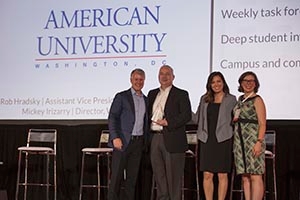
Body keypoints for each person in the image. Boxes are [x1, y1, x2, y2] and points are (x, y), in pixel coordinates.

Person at [148, 64, 192, 200]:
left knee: (173, 179)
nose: (164, 76)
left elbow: (186, 115)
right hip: (154, 139)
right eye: (162, 74)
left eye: (168, 74)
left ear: (173, 77)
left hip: (173, 139)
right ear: (158, 76)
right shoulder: (152, 93)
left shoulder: (181, 94)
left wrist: (169, 122)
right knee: (159, 177)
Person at [191, 71, 237, 200]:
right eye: (213, 82)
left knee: (222, 175)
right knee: (207, 175)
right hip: (206, 140)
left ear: (223, 83)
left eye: (218, 81)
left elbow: (236, 119)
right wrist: (183, 109)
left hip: (223, 140)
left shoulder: (231, 99)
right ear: (209, 85)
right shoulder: (204, 98)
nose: (216, 84)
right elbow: (196, 119)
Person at [107, 68, 148, 200]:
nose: (138, 82)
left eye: (141, 79)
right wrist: (115, 137)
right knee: (116, 180)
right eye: (136, 79)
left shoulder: (146, 100)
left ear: (144, 81)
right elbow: (112, 117)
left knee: (131, 181)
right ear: (131, 80)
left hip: (138, 144)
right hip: (122, 142)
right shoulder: (121, 96)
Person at [232, 71, 266, 200]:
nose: (248, 84)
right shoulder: (240, 99)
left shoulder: (257, 100)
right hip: (239, 142)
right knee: (245, 176)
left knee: (255, 175)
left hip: (253, 141)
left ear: (255, 84)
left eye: (251, 81)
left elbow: (262, 123)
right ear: (241, 83)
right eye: (245, 81)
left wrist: (259, 142)